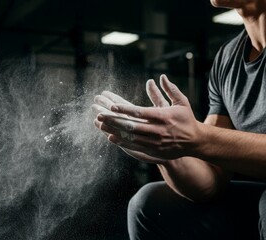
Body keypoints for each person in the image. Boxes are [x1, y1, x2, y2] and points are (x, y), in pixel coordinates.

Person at [92, 0, 266, 239]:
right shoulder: (228, 58)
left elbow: (204, 140)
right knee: (150, 203)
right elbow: (210, 182)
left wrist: (197, 137)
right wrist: (170, 154)